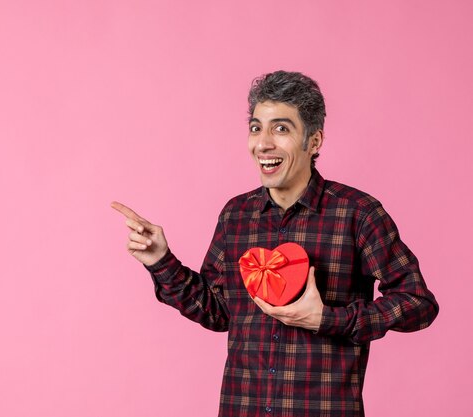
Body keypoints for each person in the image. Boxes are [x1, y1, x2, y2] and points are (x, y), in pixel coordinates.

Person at [111, 70, 438, 417]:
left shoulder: (357, 214)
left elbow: (418, 303)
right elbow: (219, 311)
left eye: (281, 128)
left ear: (313, 142)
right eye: (256, 128)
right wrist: (161, 260)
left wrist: (328, 319)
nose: (263, 143)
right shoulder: (236, 215)